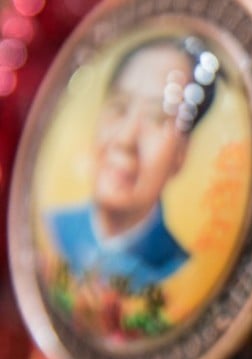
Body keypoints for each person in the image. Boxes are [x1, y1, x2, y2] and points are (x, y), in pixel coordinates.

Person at [46, 35, 220, 294]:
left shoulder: (176, 271)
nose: (125, 139)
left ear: (181, 154)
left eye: (156, 118)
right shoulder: (53, 228)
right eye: (119, 107)